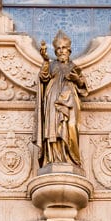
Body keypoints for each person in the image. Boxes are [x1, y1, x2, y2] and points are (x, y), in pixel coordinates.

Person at [36, 31, 88, 168]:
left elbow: (83, 84)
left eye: (63, 48)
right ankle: (54, 158)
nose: (61, 51)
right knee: (53, 129)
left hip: (70, 102)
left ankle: (71, 159)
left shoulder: (73, 67)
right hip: (53, 101)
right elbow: (43, 77)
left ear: (69, 50)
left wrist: (76, 79)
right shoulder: (52, 65)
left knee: (70, 126)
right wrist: (46, 60)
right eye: (58, 49)